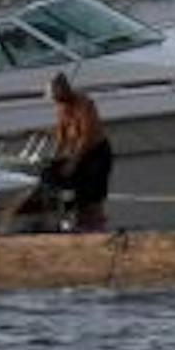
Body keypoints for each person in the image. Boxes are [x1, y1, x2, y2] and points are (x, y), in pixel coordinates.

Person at [45, 72, 113, 231]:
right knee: (65, 184)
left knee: (93, 194)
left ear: (64, 90)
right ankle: (70, 224)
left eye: (56, 96)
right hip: (77, 152)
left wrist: (73, 163)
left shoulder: (84, 103)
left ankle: (96, 226)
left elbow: (86, 137)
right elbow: (61, 136)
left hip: (96, 153)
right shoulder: (61, 107)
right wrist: (56, 157)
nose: (55, 101)